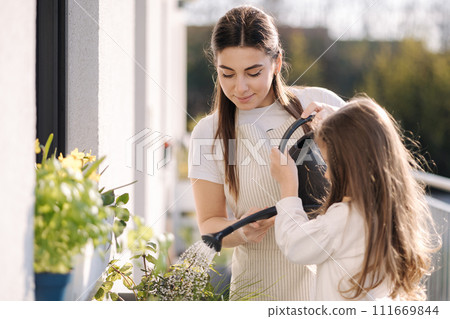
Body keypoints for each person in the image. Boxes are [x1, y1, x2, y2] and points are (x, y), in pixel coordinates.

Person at [188, 5, 345, 300]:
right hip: (255, 294)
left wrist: (340, 121)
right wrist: (240, 231)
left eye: (253, 72)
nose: (240, 87)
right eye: (228, 74)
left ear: (276, 62)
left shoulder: (319, 103)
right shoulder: (209, 133)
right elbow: (209, 226)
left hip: (327, 291)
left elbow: (378, 160)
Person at [270, 96, 440, 300]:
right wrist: (336, 121)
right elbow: (363, 132)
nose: (325, 174)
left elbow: (295, 244)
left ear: (349, 164)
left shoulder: (344, 218)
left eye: (327, 162)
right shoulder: (389, 210)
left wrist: (288, 185)